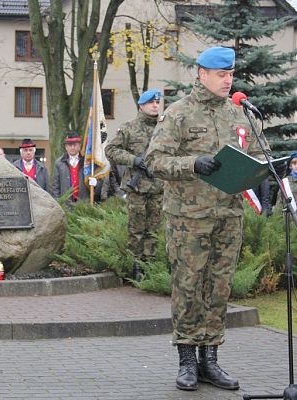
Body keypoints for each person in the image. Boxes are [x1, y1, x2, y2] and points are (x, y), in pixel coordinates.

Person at [144, 46, 274, 392]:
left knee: (219, 288)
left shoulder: (238, 114)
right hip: (189, 219)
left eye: (230, 74)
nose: (227, 80)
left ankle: (210, 360)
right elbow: (154, 160)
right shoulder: (179, 114)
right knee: (189, 287)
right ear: (202, 74)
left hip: (228, 216)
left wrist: (263, 166)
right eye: (221, 74)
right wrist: (192, 163)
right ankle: (187, 361)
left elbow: (257, 153)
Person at [105, 89, 165, 281]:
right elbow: (111, 150)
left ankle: (151, 265)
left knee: (154, 230)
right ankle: (136, 267)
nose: (155, 105)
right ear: (141, 105)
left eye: (157, 102)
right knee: (136, 230)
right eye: (151, 103)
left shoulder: (165, 129)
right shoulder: (129, 128)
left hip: (158, 188)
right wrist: (133, 160)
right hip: (137, 189)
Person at [52, 132, 89, 203]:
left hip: (83, 203)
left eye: (75, 145)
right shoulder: (59, 163)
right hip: (66, 203)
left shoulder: (86, 162)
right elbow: (55, 186)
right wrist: (58, 202)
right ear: (66, 147)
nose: (72, 147)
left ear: (80, 146)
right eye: (70, 145)